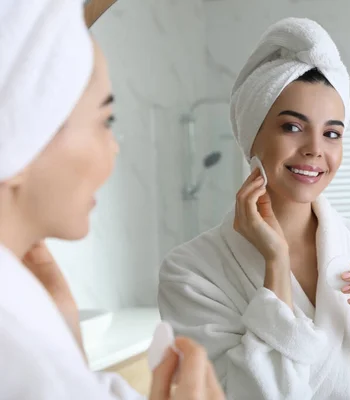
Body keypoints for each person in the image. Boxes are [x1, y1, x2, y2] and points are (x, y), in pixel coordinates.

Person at [158, 17, 350, 400]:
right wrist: (276, 264)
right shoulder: (192, 272)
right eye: (292, 127)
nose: (315, 149)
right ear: (252, 134)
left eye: (332, 133)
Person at [0, 1, 224, 399]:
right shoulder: (19, 352)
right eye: (106, 121)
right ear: (16, 134)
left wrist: (66, 346)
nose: (114, 149)